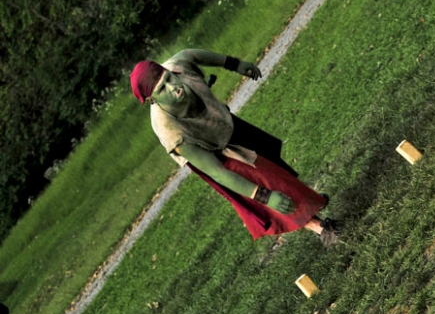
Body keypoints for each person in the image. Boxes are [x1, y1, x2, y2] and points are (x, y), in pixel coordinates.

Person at [130, 49, 341, 245]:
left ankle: (308, 206)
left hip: (227, 125)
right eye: (162, 89)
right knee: (274, 187)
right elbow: (217, 172)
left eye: (169, 79)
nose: (173, 88)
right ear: (152, 100)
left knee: (279, 170)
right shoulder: (172, 133)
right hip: (220, 156)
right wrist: (264, 197)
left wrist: (234, 64)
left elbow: (192, 54)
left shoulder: (179, 65)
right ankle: (322, 228)